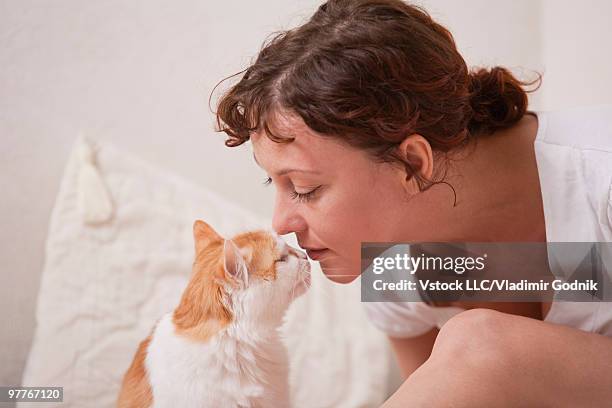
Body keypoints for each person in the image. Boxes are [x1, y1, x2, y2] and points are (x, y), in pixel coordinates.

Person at [212, 0, 612, 406]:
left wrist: (491, 357)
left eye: (304, 187)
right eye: (274, 183)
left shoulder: (601, 178)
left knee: (480, 344)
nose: (280, 223)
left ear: (411, 163)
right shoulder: (394, 266)